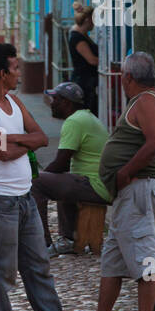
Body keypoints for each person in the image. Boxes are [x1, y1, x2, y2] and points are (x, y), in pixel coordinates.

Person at [0, 42, 96, 311]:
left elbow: (41, 137)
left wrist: (14, 141)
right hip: (1, 201)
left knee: (39, 268)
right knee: (0, 273)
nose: (19, 74)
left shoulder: (14, 102)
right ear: (2, 73)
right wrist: (22, 144)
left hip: (25, 197)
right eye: (15, 68)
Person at [82, 52, 155, 311]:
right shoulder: (141, 101)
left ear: (128, 78)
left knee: (146, 260)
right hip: (126, 196)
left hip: (138, 190)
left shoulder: (146, 101)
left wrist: (125, 172)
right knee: (113, 261)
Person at [31, 82, 110, 253]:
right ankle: (68, 238)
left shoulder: (75, 121)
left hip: (97, 185)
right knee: (60, 180)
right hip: (101, 183)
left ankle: (42, 245)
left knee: (36, 182)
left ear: (67, 102)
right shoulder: (85, 117)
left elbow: (61, 163)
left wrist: (41, 175)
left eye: (55, 99)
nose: (51, 103)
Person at [68, 2, 99, 115]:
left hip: (87, 81)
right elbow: (91, 60)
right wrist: (108, 64)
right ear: (87, 20)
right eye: (93, 19)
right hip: (84, 83)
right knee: (87, 111)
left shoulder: (82, 34)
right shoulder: (78, 38)